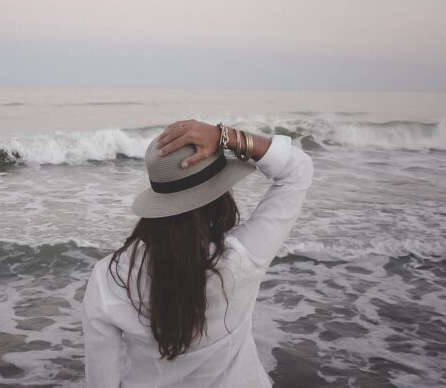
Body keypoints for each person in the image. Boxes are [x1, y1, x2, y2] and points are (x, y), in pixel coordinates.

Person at [82, 118, 314, 388]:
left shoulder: (109, 277)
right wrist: (225, 136)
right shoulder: (244, 257)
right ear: (220, 196)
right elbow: (297, 170)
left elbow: (101, 380)